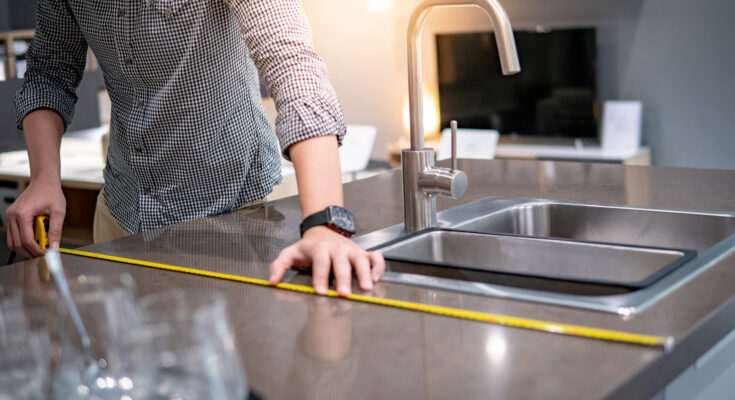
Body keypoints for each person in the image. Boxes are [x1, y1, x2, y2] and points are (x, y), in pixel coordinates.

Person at [5, 0, 384, 295]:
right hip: (122, 216)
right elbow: (49, 74)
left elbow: (292, 64)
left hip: (234, 217)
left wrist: (325, 226)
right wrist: (43, 179)